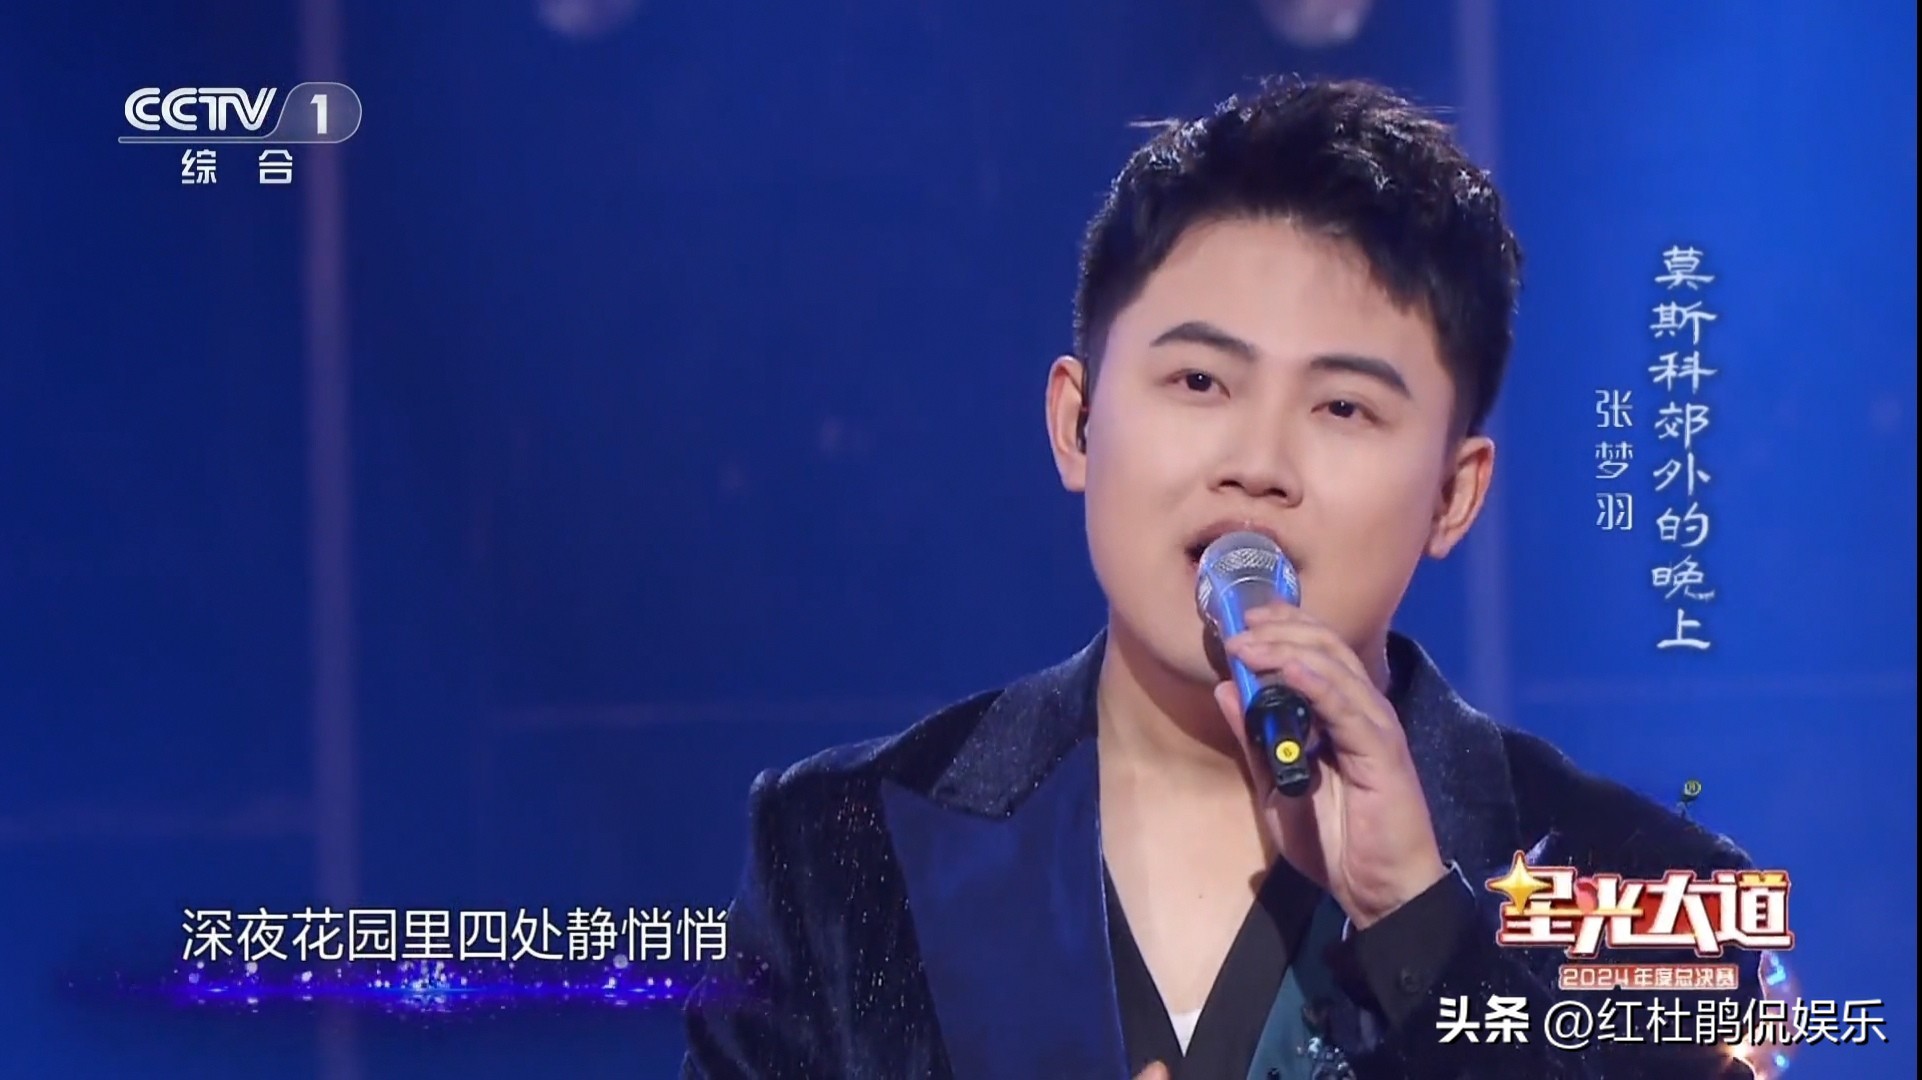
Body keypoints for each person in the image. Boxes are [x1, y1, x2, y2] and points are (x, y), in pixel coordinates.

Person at [681, 75, 1762, 1080]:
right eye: (1199, 381)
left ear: (1452, 495)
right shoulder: (842, 847)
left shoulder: (1646, 895)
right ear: (1076, 422)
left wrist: (1419, 932)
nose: (1257, 462)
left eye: (1342, 407)